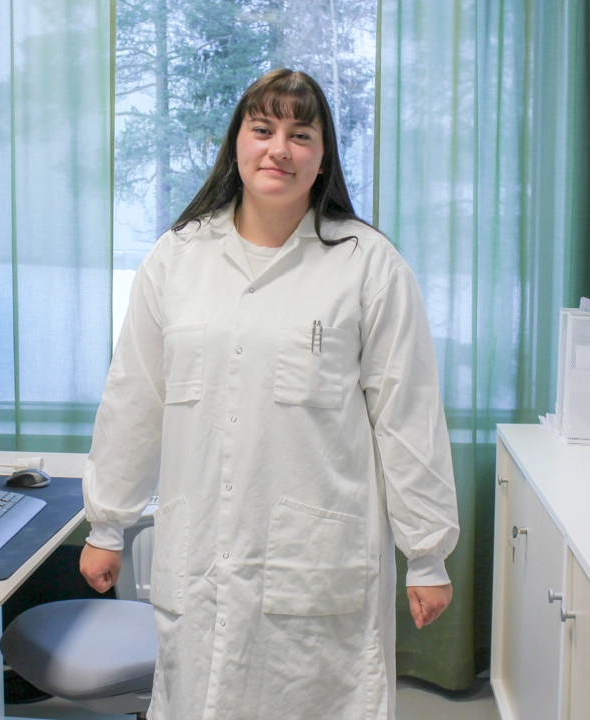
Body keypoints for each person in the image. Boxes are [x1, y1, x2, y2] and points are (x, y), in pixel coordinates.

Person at [79, 68, 459, 719]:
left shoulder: (368, 265)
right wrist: (108, 522)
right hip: (199, 561)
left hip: (318, 569)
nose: (278, 148)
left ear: (321, 159)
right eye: (263, 129)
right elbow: (134, 397)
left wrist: (426, 554)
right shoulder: (177, 259)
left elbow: (408, 414)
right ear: (236, 145)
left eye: (300, 134)